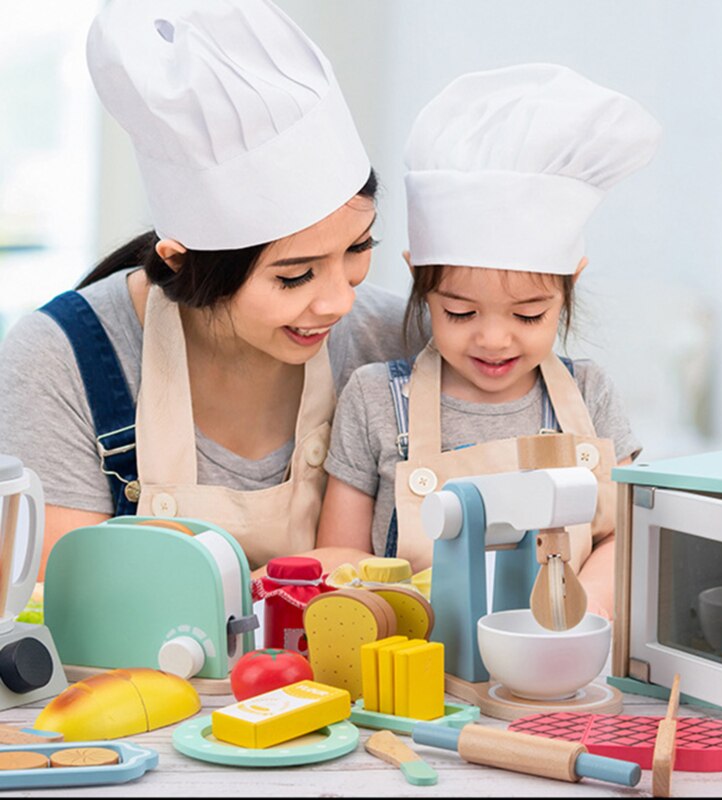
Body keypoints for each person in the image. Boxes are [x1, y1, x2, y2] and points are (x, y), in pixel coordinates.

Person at [0, 0, 426, 578]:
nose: (339, 300)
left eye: (358, 248)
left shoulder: (402, 343)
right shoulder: (58, 361)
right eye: (294, 275)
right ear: (181, 262)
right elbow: (63, 606)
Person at [316, 63, 662, 617]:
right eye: (460, 311)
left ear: (569, 284)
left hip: (557, 655)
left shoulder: (589, 394)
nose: (494, 340)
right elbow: (342, 557)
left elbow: (623, 536)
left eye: (528, 316)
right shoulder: (375, 399)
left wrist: (587, 612)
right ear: (420, 282)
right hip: (415, 662)